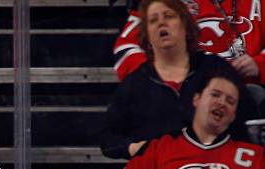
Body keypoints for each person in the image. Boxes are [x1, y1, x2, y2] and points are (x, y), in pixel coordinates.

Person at [107, 70, 265, 169]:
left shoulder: (252, 156)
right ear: (197, 99)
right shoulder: (158, 147)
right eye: (215, 95)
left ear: (233, 115)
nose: (222, 103)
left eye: (230, 101)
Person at [101, 0, 256, 160]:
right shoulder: (137, 82)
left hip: (218, 166)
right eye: (153, 21)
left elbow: (248, 127)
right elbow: (109, 140)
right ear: (145, 34)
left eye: (169, 17)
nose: (162, 23)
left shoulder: (218, 70)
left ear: (187, 26)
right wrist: (135, 148)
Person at [114, 0, 265, 85]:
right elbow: (126, 49)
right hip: (181, 99)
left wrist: (259, 64)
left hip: (248, 94)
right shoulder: (164, 3)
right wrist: (162, 77)